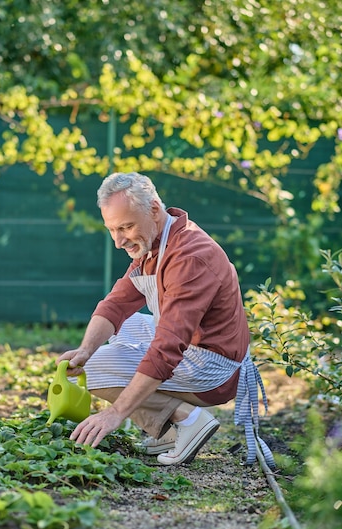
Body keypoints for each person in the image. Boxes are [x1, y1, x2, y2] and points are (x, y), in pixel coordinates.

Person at [56, 172, 275, 468]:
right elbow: (116, 304)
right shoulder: (155, 245)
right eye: (112, 229)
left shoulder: (190, 257)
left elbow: (168, 346)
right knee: (111, 338)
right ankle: (166, 431)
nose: (119, 241)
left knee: (94, 370)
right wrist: (85, 349)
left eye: (126, 227)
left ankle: (188, 419)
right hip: (197, 350)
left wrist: (116, 412)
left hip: (214, 369)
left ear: (154, 210)